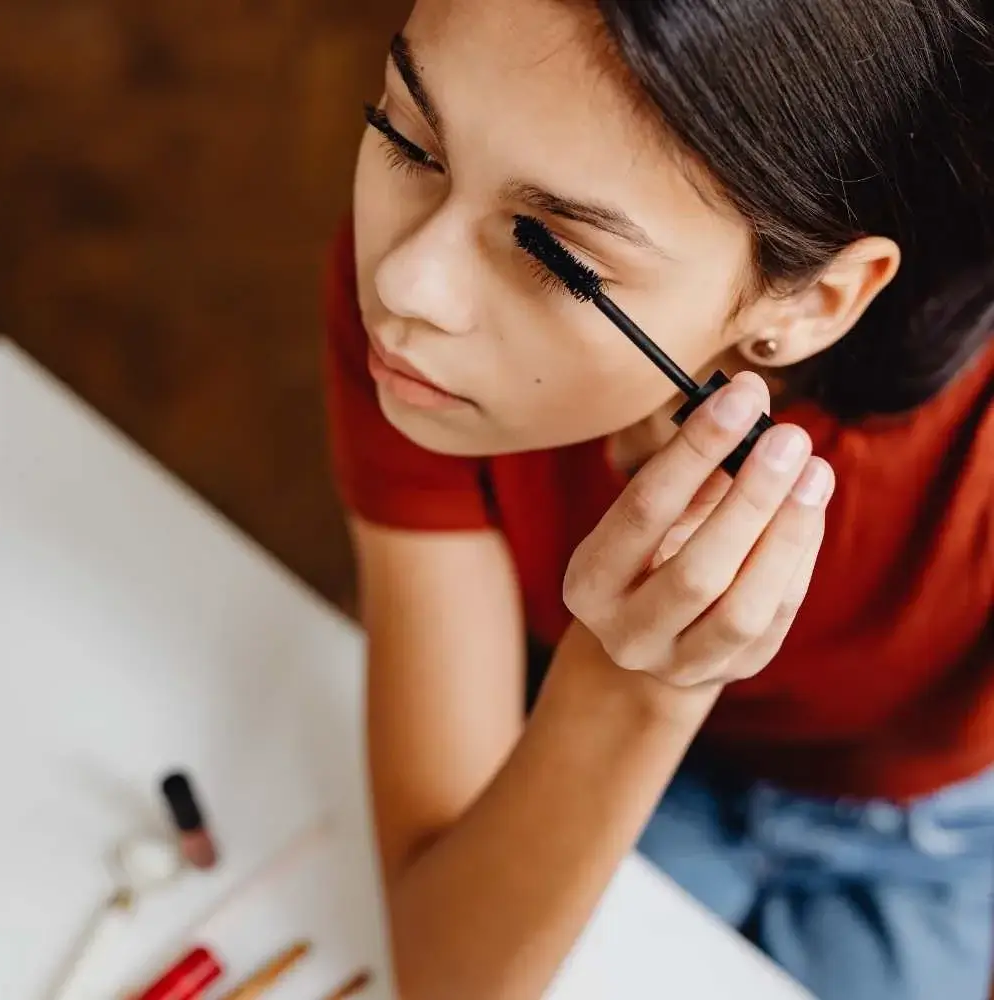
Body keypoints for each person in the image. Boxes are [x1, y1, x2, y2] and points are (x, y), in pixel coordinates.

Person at [324, 2, 994, 998]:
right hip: (612, 756)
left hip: (921, 833)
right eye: (404, 135)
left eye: (554, 252)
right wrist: (638, 684)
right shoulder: (418, 338)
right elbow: (444, 969)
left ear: (808, 303)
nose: (405, 278)